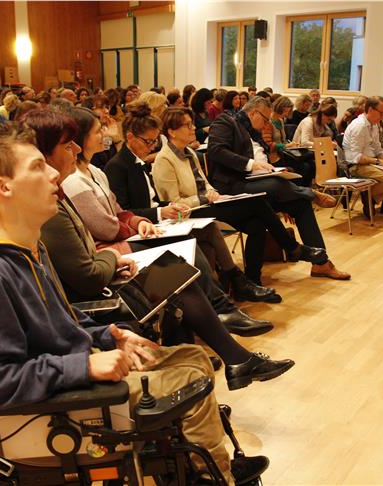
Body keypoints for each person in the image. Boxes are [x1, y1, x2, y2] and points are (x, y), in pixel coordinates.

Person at [0, 123, 272, 483]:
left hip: (73, 364)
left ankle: (209, 466)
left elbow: (63, 322)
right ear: (3, 187)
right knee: (187, 381)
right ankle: (211, 476)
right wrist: (84, 368)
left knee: (193, 358)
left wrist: (110, 336)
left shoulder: (27, 248)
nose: (55, 173)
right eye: (38, 167)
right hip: (48, 406)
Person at [27, 108, 292, 383]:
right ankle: (219, 349)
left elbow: (118, 213)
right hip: (101, 288)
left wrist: (132, 225)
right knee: (175, 273)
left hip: (110, 261)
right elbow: (91, 263)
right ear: (44, 156)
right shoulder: (61, 196)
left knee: (179, 273)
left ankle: (200, 362)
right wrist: (111, 255)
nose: (78, 148)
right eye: (69, 144)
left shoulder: (78, 182)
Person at [104, 104, 278, 332]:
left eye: (154, 141)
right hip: (141, 231)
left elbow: (155, 200)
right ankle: (221, 305)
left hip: (154, 222)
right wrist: (162, 211)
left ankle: (230, 291)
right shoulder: (117, 166)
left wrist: (168, 207)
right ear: (129, 137)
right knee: (195, 240)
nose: (152, 146)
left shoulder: (139, 163)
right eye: (148, 141)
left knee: (210, 230)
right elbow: (125, 212)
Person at [154, 106, 335, 287]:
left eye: (192, 124)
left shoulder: (190, 153)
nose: (193, 128)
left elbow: (204, 183)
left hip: (210, 202)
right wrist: (205, 198)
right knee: (257, 201)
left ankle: (253, 280)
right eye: (187, 125)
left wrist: (212, 192)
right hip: (190, 212)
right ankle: (292, 247)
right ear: (172, 132)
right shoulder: (164, 159)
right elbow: (174, 203)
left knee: (257, 224)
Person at [206, 96, 350, 280]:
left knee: (300, 203)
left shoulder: (255, 132)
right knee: (278, 185)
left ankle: (321, 264)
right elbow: (216, 151)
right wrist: (251, 164)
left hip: (262, 185)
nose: (267, 124)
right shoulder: (226, 122)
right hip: (234, 186)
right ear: (252, 113)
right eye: (265, 119)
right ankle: (309, 193)